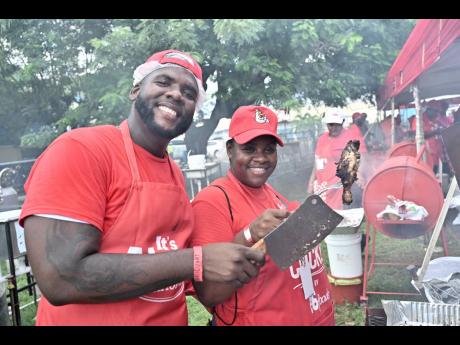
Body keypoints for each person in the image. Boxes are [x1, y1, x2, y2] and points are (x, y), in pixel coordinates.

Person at [19, 49, 265, 326]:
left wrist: (248, 237)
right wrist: (195, 261)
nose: (175, 94)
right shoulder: (83, 150)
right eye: (163, 82)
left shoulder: (174, 174)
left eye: (189, 93)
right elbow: (60, 277)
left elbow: (178, 270)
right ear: (135, 90)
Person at [190, 105, 335, 326]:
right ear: (230, 149)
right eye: (249, 149)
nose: (261, 158)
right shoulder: (212, 201)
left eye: (269, 149)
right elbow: (209, 293)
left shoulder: (273, 195)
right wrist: (250, 234)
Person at [308, 112, 367, 210]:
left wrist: (358, 173)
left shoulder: (351, 136)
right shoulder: (322, 139)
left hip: (340, 186)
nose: (334, 127)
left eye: (337, 124)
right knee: (324, 215)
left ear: (342, 122)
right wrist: (311, 182)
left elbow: (362, 158)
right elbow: (317, 160)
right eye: (331, 125)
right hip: (323, 185)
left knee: (343, 216)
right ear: (326, 124)